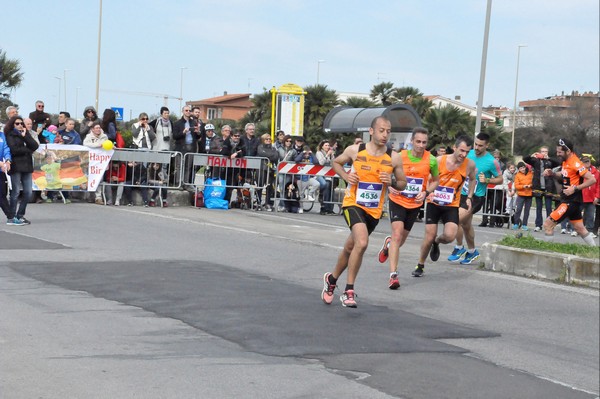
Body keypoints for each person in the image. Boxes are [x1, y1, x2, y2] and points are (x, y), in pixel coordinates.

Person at [321, 116, 406, 308]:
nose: (385, 135)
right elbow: (336, 162)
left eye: (388, 131)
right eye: (381, 130)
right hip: (353, 204)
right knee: (362, 242)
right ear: (371, 131)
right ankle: (348, 291)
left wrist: (391, 181)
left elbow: (403, 183)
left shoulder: (393, 157)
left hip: (374, 212)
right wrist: (346, 176)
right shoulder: (355, 150)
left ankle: (331, 280)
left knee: (351, 248)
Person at [378, 127, 439, 289]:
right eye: (418, 141)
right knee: (397, 235)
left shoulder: (431, 160)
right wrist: (390, 184)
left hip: (415, 204)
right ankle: (393, 276)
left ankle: (388, 245)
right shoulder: (400, 156)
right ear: (412, 141)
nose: (421, 145)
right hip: (397, 200)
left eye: (424, 142)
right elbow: (385, 171)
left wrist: (426, 192)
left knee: (400, 240)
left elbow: (435, 181)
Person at [413, 136, 477, 277]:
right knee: (429, 236)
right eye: (461, 150)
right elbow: (427, 178)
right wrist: (427, 192)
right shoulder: (439, 161)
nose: (463, 155)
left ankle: (437, 242)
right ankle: (420, 264)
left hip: (451, 205)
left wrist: (470, 197)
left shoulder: (469, 165)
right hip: (434, 203)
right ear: (454, 148)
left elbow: (473, 179)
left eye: (467, 152)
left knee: (449, 237)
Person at [448, 132, 502, 265]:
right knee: (466, 225)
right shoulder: (468, 154)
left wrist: (488, 179)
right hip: (461, 194)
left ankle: (459, 248)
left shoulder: (491, 161)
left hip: (476, 197)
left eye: (480, 146)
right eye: (476, 144)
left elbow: (500, 179)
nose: (477, 147)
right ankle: (472, 252)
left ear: (487, 145)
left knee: (455, 220)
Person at [542, 138, 597, 246]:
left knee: (548, 224)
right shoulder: (565, 161)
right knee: (580, 228)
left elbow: (592, 179)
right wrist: (552, 173)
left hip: (571, 201)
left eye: (560, 152)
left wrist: (575, 188)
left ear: (568, 151)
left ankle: (548, 252)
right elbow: (564, 175)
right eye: (557, 151)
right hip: (567, 199)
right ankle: (594, 251)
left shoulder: (575, 163)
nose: (557, 154)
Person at [5, 116, 39, 225]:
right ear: (12, 125)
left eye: (21, 123)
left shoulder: (25, 133)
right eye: (17, 123)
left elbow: (35, 146)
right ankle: (11, 217)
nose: (20, 125)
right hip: (16, 166)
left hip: (27, 166)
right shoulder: (10, 134)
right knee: (15, 192)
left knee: (28, 192)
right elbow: (14, 150)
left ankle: (20, 215)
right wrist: (27, 150)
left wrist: (25, 137)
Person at [523, 146, 561, 232]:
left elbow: (559, 162)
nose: (544, 153)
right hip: (538, 187)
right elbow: (525, 159)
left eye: (546, 151)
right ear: (539, 152)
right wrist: (532, 155)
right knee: (539, 207)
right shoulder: (535, 160)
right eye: (543, 151)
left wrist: (549, 158)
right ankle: (538, 225)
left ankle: (549, 225)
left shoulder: (550, 161)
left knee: (548, 207)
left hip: (548, 187)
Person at [83, 122, 109, 204]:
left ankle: (98, 197)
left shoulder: (104, 137)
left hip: (100, 161)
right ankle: (91, 195)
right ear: (92, 129)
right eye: (96, 128)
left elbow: (107, 145)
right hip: (91, 161)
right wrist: (98, 145)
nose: (98, 129)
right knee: (90, 178)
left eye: (99, 128)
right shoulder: (88, 137)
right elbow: (86, 144)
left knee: (99, 179)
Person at [220, 129, 247, 204]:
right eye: (235, 136)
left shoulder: (241, 141)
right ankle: (226, 201)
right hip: (227, 167)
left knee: (240, 184)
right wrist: (231, 154)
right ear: (231, 136)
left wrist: (237, 154)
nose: (237, 137)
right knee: (229, 185)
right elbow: (223, 151)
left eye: (238, 136)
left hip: (239, 167)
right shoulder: (227, 141)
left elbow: (244, 152)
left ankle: (240, 201)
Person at [256, 133, 279, 211]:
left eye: (270, 139)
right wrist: (270, 156)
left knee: (269, 187)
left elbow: (276, 156)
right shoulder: (260, 147)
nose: (269, 140)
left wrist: (268, 156)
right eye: (267, 139)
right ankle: (258, 202)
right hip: (262, 168)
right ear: (263, 140)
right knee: (260, 186)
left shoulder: (273, 148)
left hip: (270, 169)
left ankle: (267, 203)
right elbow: (261, 154)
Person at [315, 139, 336, 215]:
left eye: (328, 145)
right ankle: (324, 206)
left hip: (328, 174)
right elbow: (321, 162)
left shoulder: (331, 153)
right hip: (320, 174)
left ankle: (330, 208)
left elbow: (333, 163)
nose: (327, 147)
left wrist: (331, 155)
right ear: (322, 146)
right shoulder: (319, 153)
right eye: (326, 145)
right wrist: (327, 155)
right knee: (325, 184)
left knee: (331, 187)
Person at [580, 155, 599, 238]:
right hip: (581, 196)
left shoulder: (596, 172)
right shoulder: (579, 171)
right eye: (584, 162)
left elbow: (598, 185)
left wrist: (597, 196)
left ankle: (590, 230)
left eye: (588, 161)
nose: (586, 163)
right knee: (578, 214)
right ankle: (577, 229)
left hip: (591, 197)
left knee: (590, 214)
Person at [512, 162, 533, 230]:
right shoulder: (517, 175)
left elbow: (534, 182)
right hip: (521, 194)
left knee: (527, 210)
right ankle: (516, 223)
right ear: (518, 169)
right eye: (520, 168)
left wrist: (530, 186)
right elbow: (516, 186)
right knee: (518, 209)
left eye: (523, 167)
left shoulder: (530, 173)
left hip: (529, 194)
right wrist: (523, 186)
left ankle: (524, 224)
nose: (522, 169)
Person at [0, 126, 12, 220]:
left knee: (2, 193)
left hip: (1, 170)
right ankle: (11, 216)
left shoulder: (2, 136)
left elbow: (6, 149)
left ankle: (11, 216)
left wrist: (8, 160)